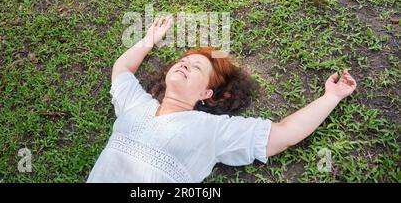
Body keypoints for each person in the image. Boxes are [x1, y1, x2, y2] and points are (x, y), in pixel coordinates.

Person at [87, 16, 357, 182]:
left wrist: (331, 96)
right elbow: (121, 71)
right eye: (182, 61)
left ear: (206, 93)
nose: (184, 65)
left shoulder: (211, 130)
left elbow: (284, 134)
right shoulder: (137, 104)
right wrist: (150, 38)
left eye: (196, 68)